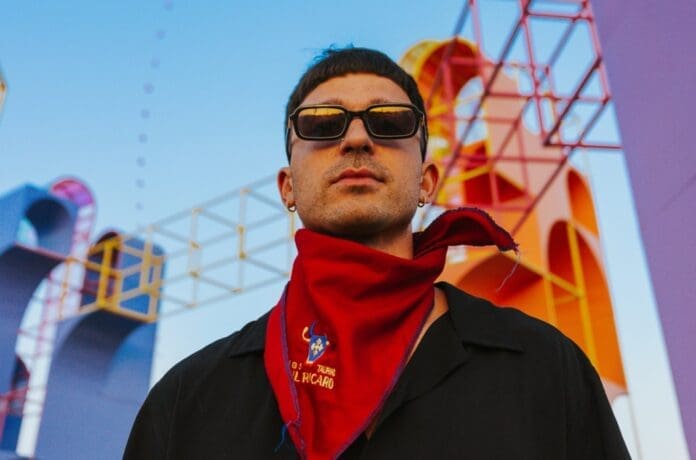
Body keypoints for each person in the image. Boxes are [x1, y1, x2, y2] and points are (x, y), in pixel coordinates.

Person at [124, 47, 630, 459]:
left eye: (389, 122)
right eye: (322, 125)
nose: (358, 138)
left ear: (427, 183)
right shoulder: (187, 401)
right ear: (287, 188)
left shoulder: (545, 369)